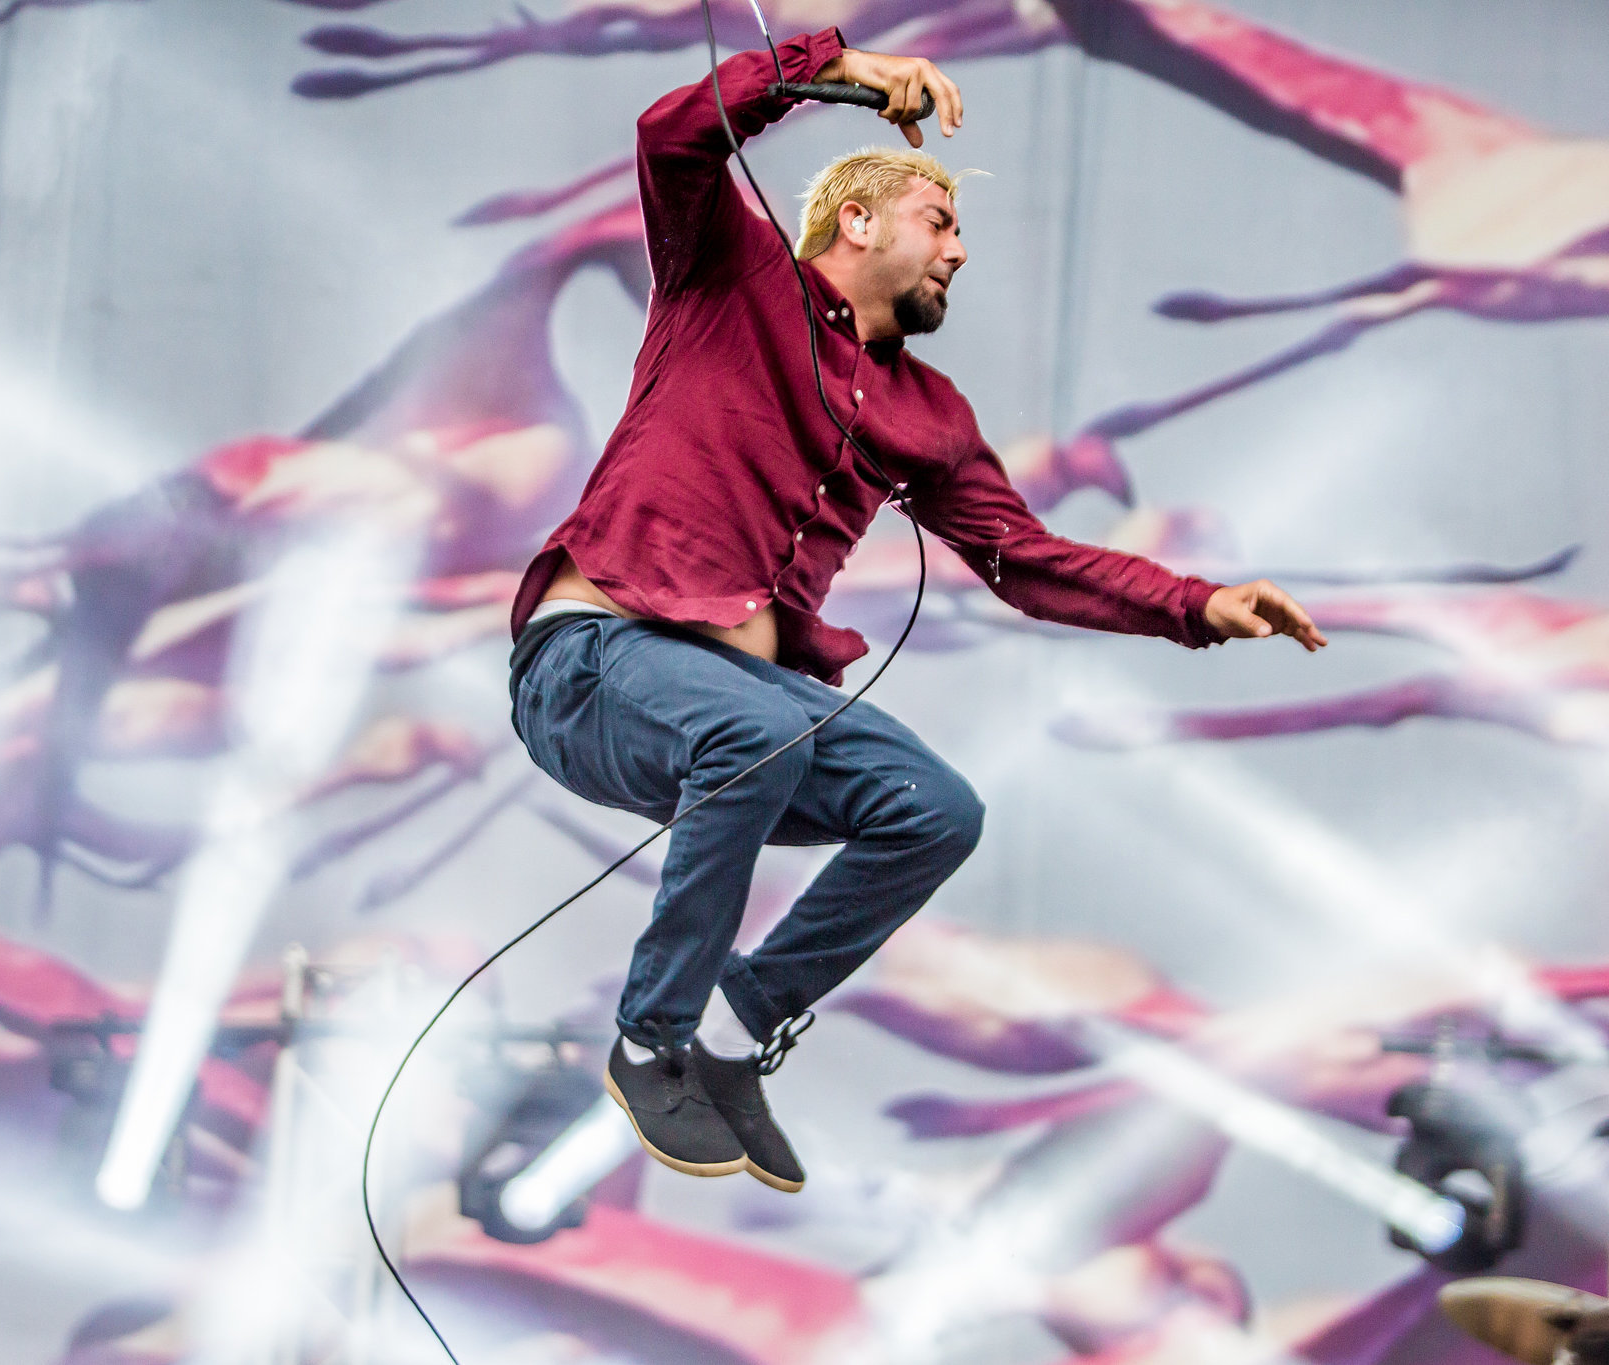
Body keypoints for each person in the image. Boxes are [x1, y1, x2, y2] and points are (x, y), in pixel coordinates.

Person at [506, 28, 1325, 1193]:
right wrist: (835, 70)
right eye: (939, 223)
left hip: (739, 713)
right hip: (592, 667)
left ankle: (734, 1034)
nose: (959, 251)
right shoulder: (727, 279)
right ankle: (651, 1038)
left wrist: (1196, 604)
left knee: (933, 810)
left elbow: (1023, 559)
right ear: (855, 221)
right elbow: (670, 138)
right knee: (754, 727)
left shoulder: (927, 413)